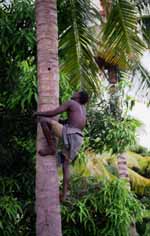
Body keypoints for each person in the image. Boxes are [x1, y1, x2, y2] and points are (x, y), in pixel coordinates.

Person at [34, 91, 89, 201]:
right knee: (65, 164)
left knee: (44, 120)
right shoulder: (82, 108)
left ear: (78, 97)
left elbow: (53, 112)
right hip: (78, 138)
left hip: (70, 134)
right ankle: (64, 194)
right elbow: (74, 121)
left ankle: (51, 147)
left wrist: (38, 113)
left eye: (76, 92)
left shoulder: (71, 103)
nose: (73, 93)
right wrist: (61, 122)